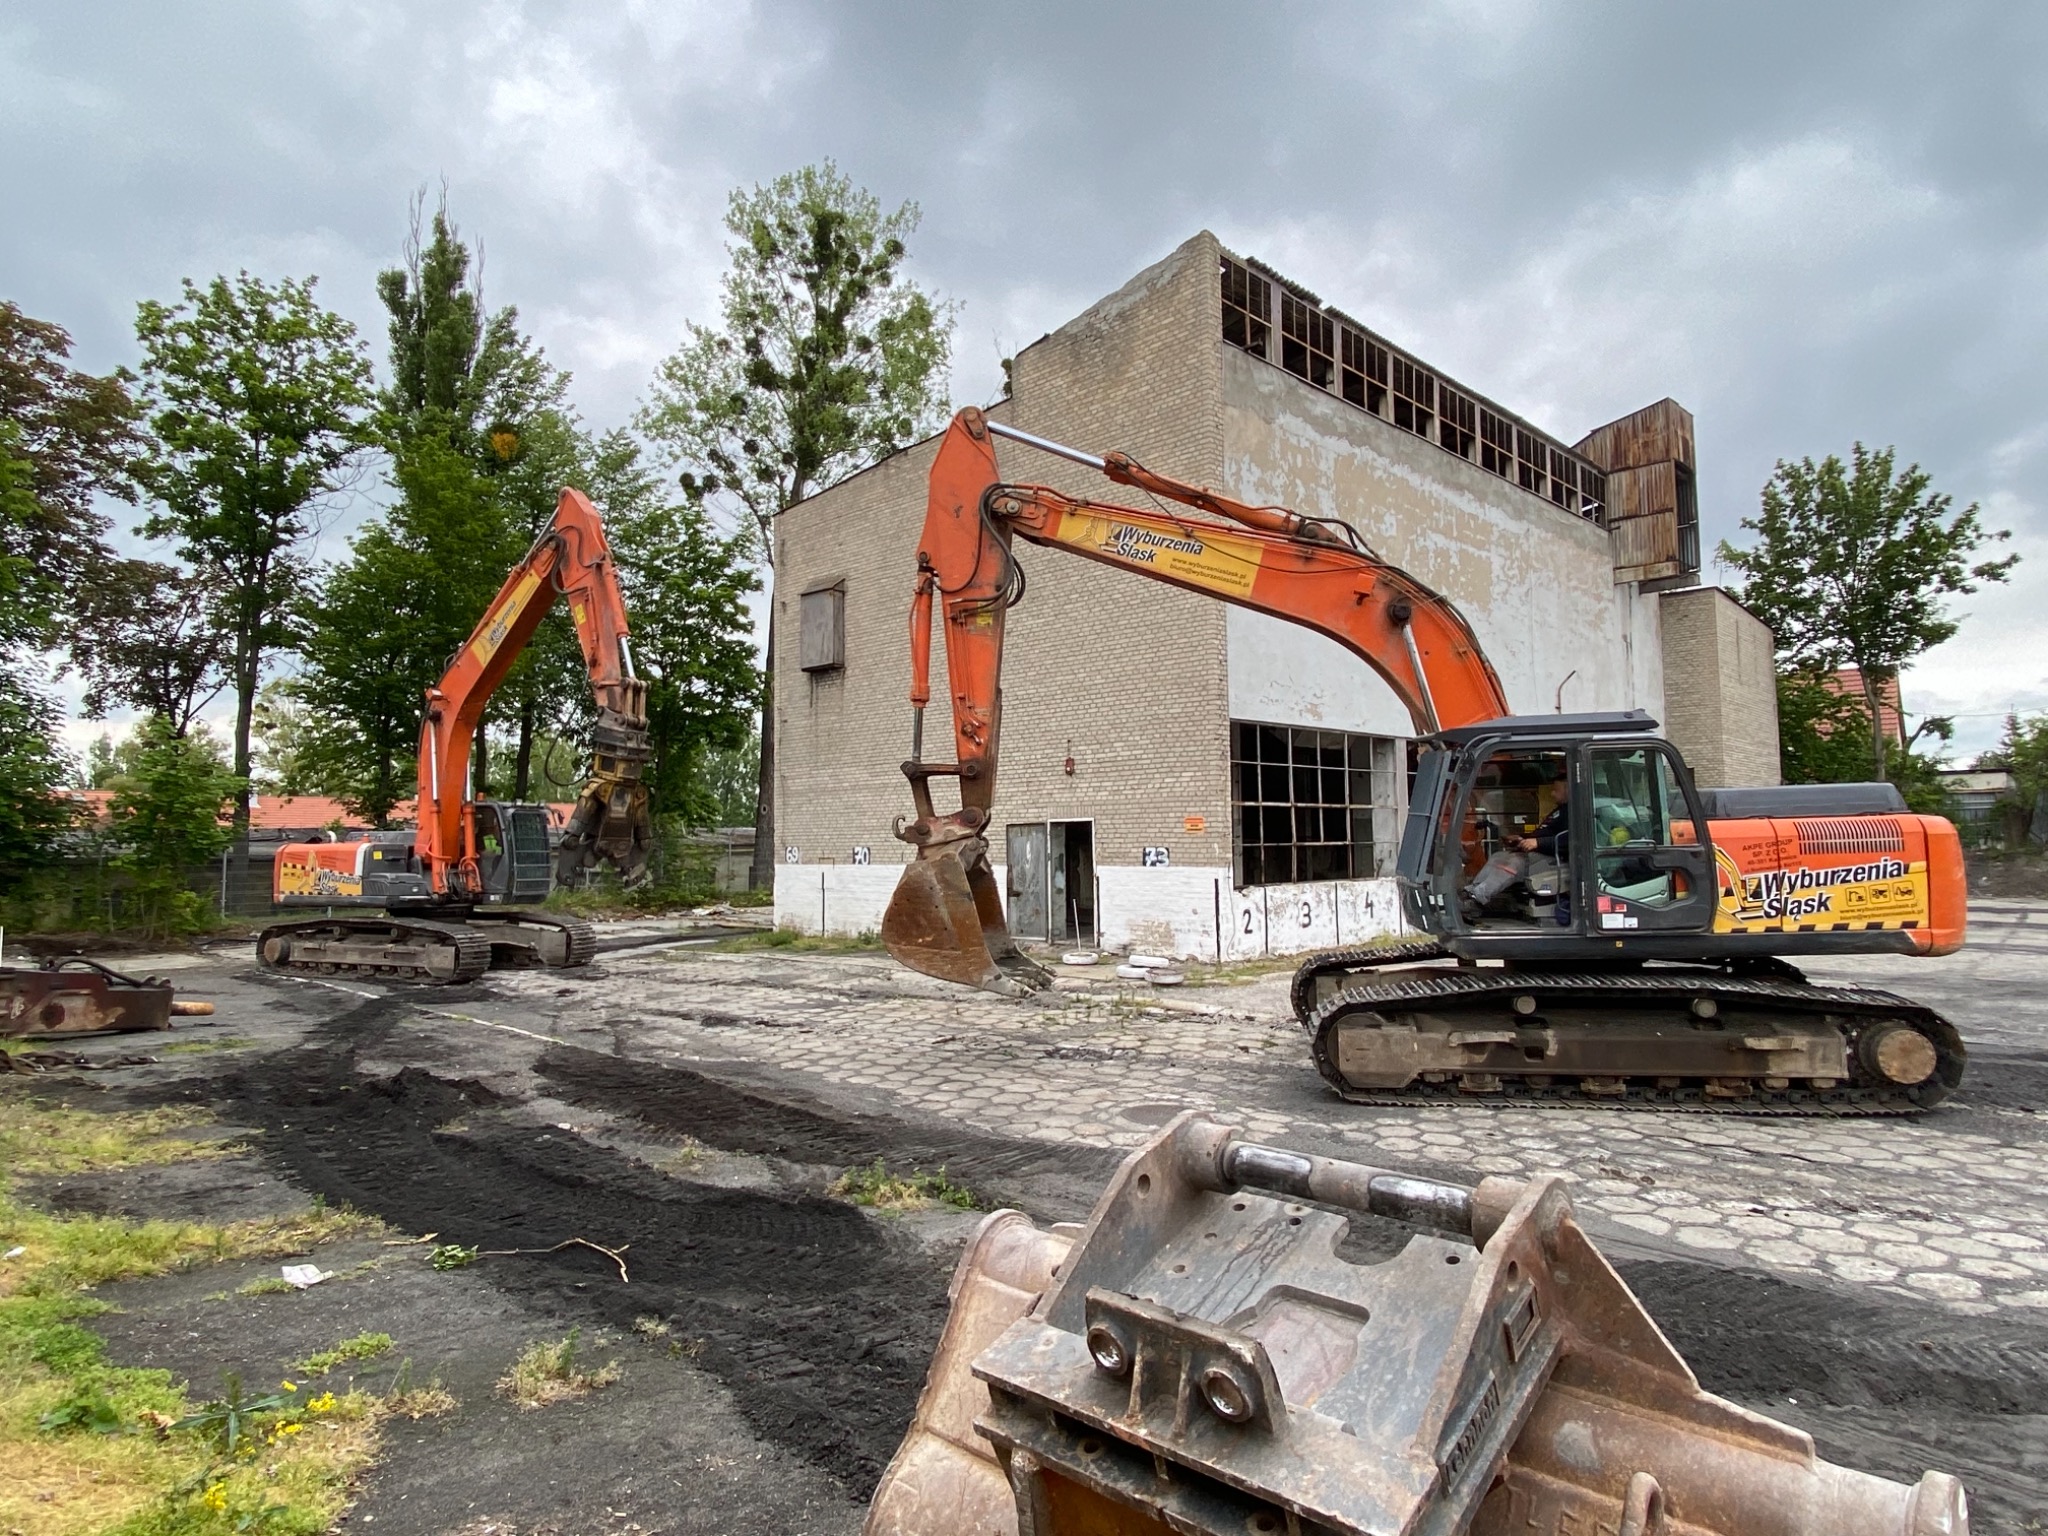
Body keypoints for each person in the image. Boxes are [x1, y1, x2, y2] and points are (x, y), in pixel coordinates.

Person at [1463, 785, 1568, 914]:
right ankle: (1472, 890)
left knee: (1514, 861)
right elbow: (1543, 833)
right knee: (1499, 856)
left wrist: (1538, 843)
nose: (1552, 793)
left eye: (1556, 789)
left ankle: (1480, 897)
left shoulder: (1574, 814)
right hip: (1540, 853)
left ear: (1568, 788)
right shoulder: (1559, 811)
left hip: (1557, 858)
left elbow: (1572, 839)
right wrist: (1521, 838)